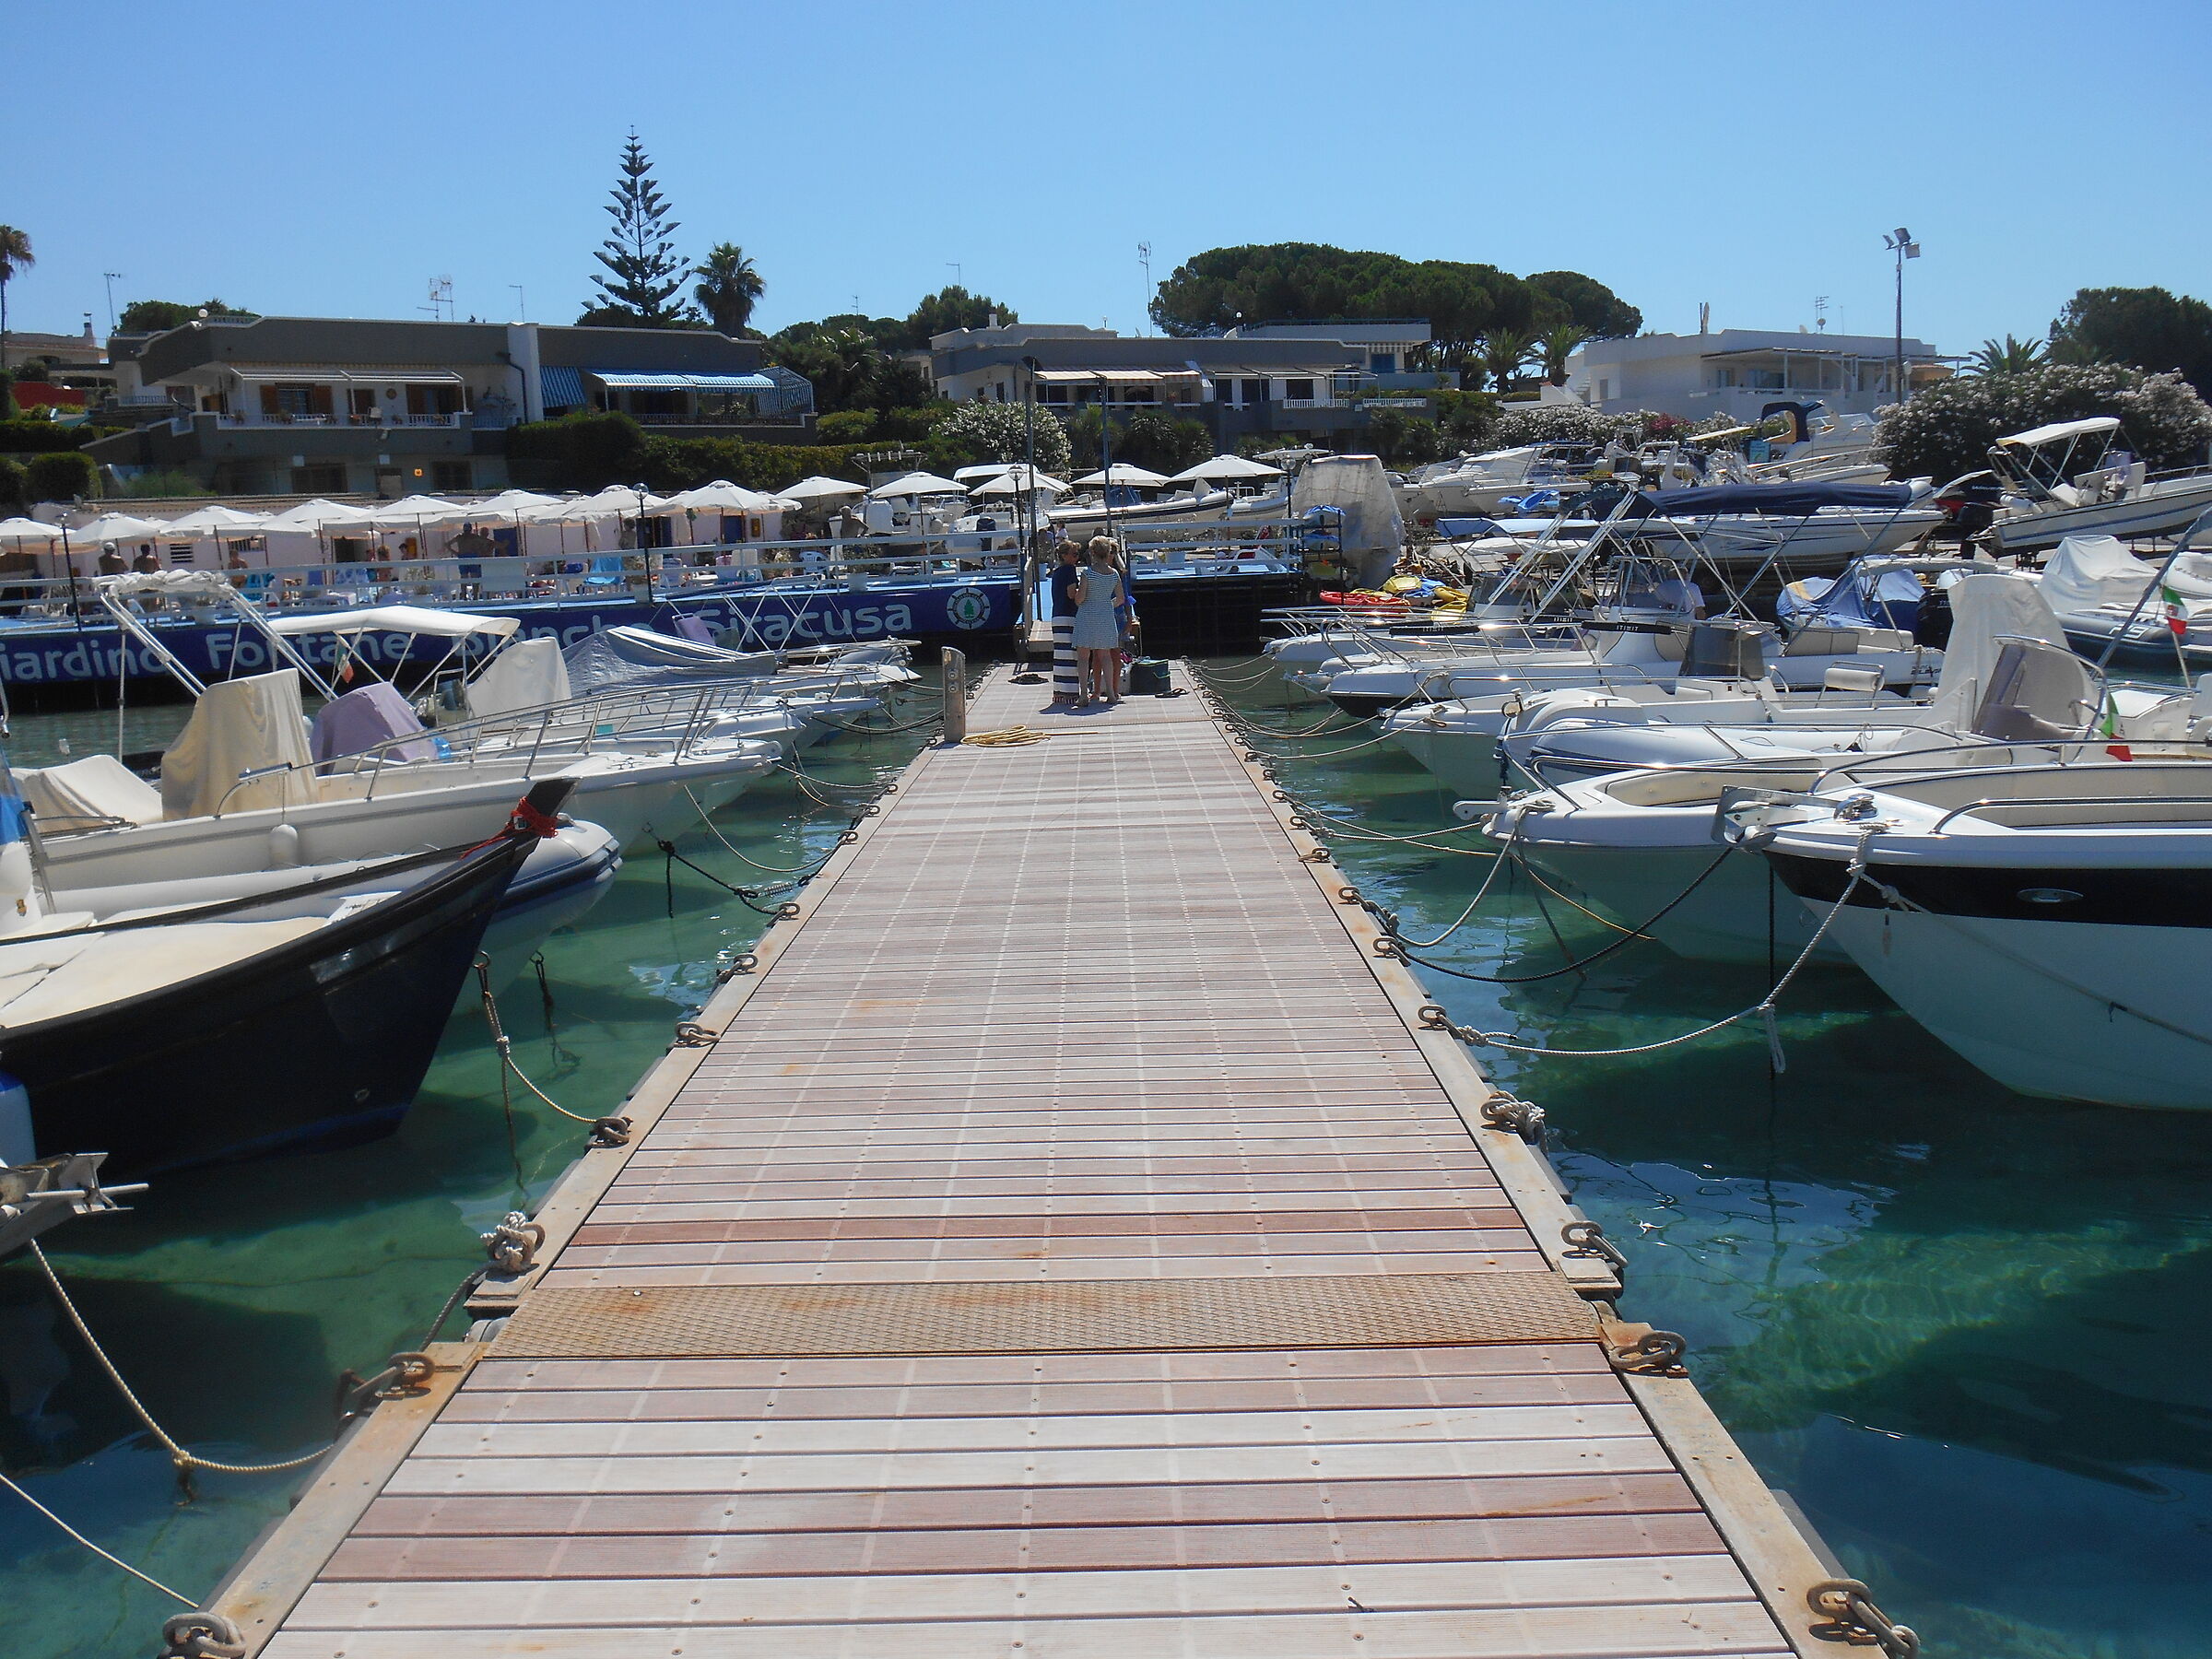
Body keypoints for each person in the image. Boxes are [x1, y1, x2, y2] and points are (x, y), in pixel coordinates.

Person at [1071, 536, 1124, 706]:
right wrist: (1107, 605)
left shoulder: (1088, 573)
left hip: (1087, 616)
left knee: (1083, 656)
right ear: (1108, 552)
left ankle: (1084, 695)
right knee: (1105, 656)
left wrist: (1077, 596)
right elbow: (1121, 598)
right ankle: (1111, 693)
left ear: (1092, 552)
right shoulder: (1114, 573)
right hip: (1105, 617)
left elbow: (1080, 599)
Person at [1047, 539, 1083, 703]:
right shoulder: (1069, 569)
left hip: (1057, 615)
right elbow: (1071, 594)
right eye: (1074, 554)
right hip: (1068, 614)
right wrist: (1084, 591)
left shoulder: (1057, 571)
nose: (1077, 558)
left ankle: (1060, 692)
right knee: (1070, 654)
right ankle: (1071, 692)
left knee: (1060, 654)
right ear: (1064, 556)